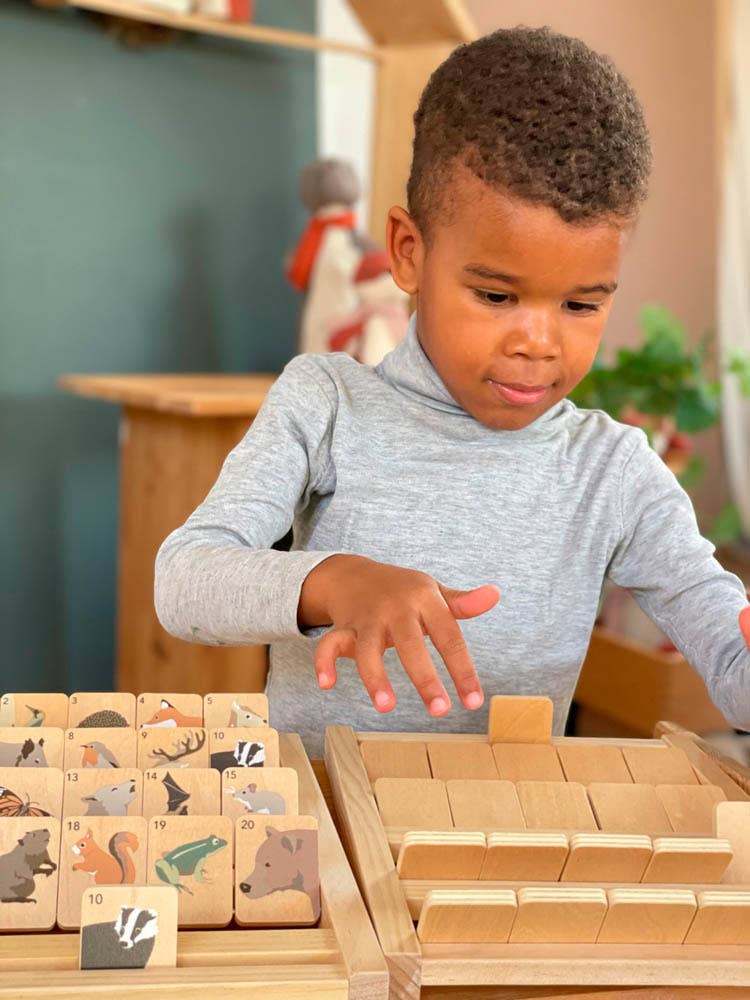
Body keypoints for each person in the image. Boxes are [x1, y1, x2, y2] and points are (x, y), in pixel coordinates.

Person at [154, 26, 750, 758]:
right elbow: (184, 580)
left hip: (503, 827)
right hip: (318, 816)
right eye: (496, 296)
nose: (538, 342)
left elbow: (732, 666)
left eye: (581, 304)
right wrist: (335, 582)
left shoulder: (614, 471)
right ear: (409, 252)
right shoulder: (326, 404)